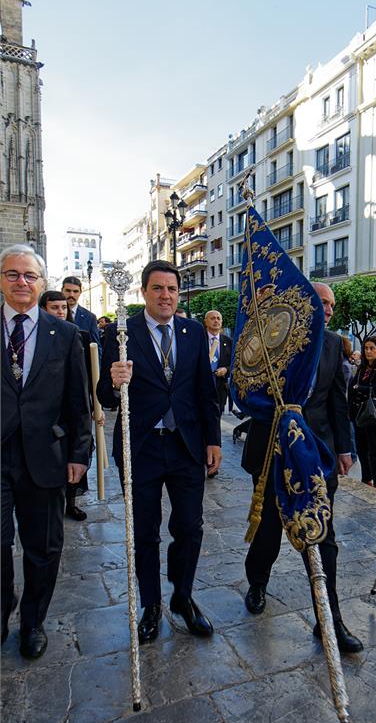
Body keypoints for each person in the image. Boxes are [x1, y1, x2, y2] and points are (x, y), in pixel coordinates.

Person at [97, 260, 221, 644]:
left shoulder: (193, 332)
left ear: (177, 293)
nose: (165, 295)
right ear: (143, 293)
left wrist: (213, 439)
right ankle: (151, 604)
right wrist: (114, 383)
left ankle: (182, 596)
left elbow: (205, 390)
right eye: (157, 289)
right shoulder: (121, 334)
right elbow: (103, 393)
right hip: (141, 447)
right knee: (144, 532)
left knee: (189, 526)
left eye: (171, 289)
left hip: (186, 446)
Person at [242, 282, 363, 653]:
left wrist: (344, 448)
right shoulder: (276, 335)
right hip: (271, 452)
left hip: (317, 455)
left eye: (331, 305)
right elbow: (250, 390)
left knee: (323, 536)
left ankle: (329, 618)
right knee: (268, 531)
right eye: (321, 302)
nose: (327, 309)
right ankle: (258, 582)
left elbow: (337, 403)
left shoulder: (333, 345)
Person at [1, 245, 92, 658]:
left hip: (46, 457)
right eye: (12, 274)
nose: (21, 282)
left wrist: (79, 454)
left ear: (41, 282)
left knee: (43, 546)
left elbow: (79, 402)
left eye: (29, 276)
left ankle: (33, 621)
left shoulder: (65, 334)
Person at [39, 290, 105, 521]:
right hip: (44, 412)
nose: (60, 312)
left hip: (73, 407)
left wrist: (96, 407)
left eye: (63, 308)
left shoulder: (79, 335)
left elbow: (88, 376)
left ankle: (71, 501)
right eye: (54, 307)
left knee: (76, 453)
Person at [348, 335, 376, 489]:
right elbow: (351, 388)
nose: (368, 351)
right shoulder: (362, 368)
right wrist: (361, 389)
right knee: (361, 448)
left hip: (373, 415)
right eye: (366, 348)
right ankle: (366, 478)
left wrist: (359, 388)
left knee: (375, 448)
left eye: (372, 348)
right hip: (358, 413)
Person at [61, 276, 101, 351]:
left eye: (75, 291)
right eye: (68, 291)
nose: (71, 295)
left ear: (80, 293)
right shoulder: (52, 314)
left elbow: (95, 346)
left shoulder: (89, 317)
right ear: (62, 291)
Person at [204, 309, 232, 416]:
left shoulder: (228, 342)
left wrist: (226, 369)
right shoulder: (199, 339)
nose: (216, 321)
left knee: (216, 420)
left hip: (220, 388)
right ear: (206, 322)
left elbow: (234, 364)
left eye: (218, 318)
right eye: (212, 318)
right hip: (202, 388)